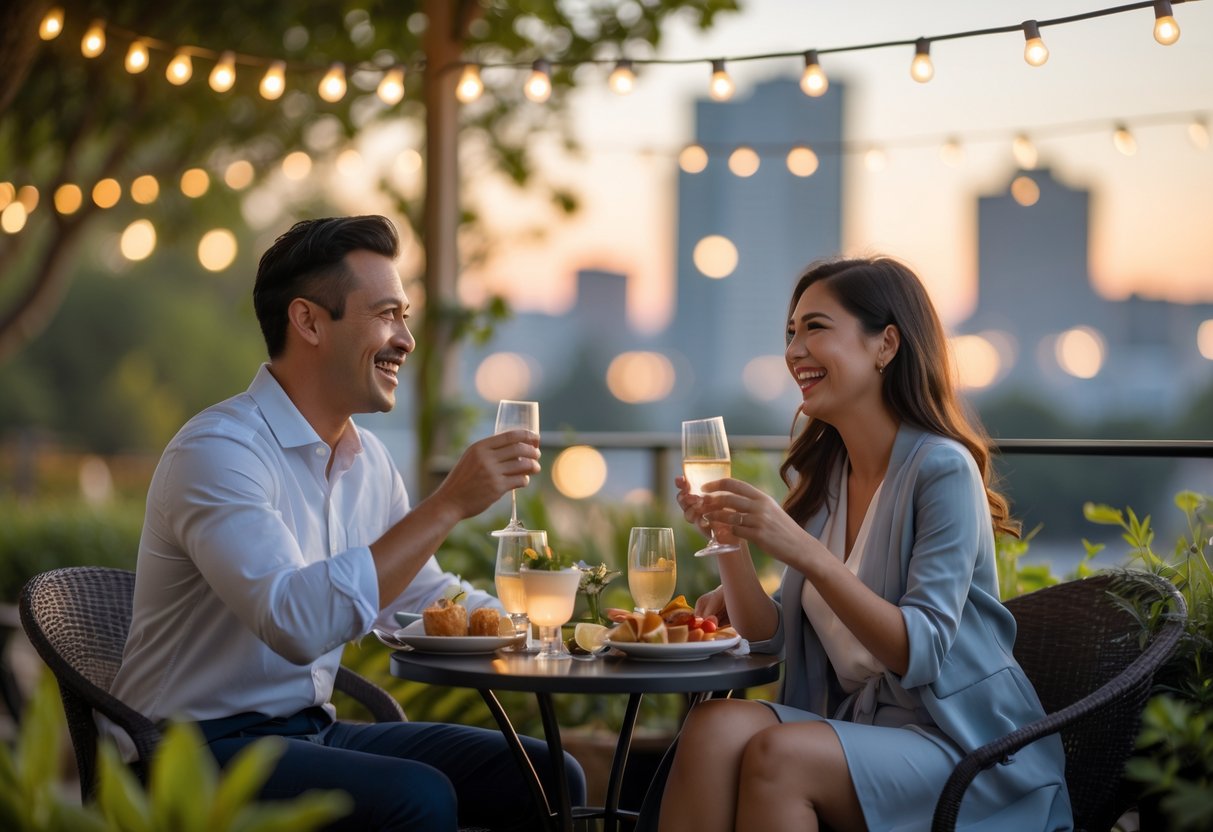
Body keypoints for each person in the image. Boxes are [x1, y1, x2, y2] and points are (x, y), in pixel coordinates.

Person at [105, 215, 585, 831]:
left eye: (405, 316)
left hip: (309, 733)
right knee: (419, 797)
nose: (406, 339)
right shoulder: (219, 451)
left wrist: (543, 628)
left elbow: (421, 597)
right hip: (183, 751)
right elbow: (294, 622)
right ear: (307, 321)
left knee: (550, 779)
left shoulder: (367, 461)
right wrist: (446, 505)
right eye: (387, 314)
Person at [660, 257, 1072, 831]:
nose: (794, 350)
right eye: (790, 332)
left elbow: (919, 650)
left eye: (816, 328)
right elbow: (776, 635)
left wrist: (803, 552)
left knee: (779, 758)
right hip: (859, 730)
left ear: (886, 345)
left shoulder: (941, 470)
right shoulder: (828, 477)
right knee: (713, 728)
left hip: (960, 744)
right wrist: (728, 543)